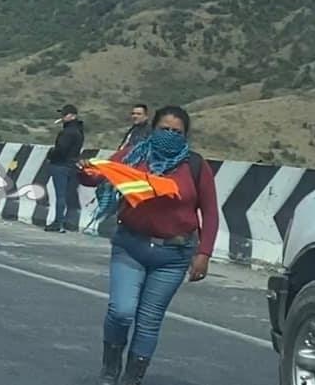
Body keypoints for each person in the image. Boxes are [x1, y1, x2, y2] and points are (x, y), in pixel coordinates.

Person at [77, 105, 218, 385]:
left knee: (149, 321)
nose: (170, 135)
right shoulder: (134, 155)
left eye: (176, 132)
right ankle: (110, 368)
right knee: (121, 311)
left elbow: (211, 212)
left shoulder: (194, 165)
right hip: (130, 246)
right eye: (164, 129)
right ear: (153, 129)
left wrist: (204, 253)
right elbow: (99, 175)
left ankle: (132, 378)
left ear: (186, 135)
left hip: (173, 255)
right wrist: (84, 170)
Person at [45, 104, 84, 233]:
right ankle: (66, 221)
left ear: (72, 116)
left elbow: (61, 149)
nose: (62, 117)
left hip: (61, 165)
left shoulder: (68, 132)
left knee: (60, 195)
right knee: (67, 194)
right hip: (72, 165)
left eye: (65, 114)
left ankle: (58, 222)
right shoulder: (79, 131)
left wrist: (51, 155)